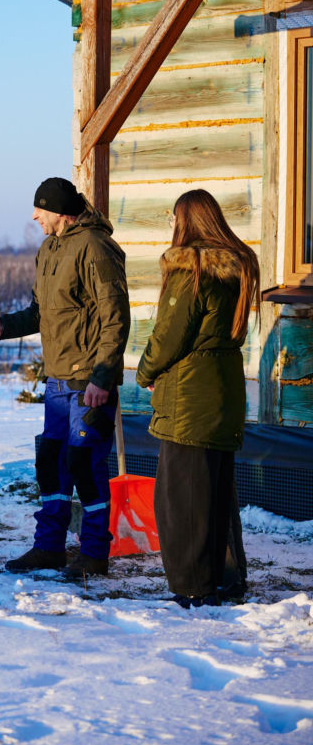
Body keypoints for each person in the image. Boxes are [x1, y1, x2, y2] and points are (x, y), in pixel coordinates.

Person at [0, 177, 130, 577]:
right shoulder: (49, 249)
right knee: (51, 462)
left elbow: (116, 318)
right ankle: (49, 547)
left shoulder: (97, 248)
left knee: (86, 465)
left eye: (39, 210)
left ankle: (95, 553)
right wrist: (1, 327)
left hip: (88, 382)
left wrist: (103, 376)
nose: (33, 216)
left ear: (60, 212)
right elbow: (38, 312)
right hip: (57, 379)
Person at [135, 189, 259, 608]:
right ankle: (226, 579)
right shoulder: (236, 270)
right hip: (224, 391)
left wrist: (145, 371)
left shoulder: (193, 269)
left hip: (189, 399)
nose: (172, 227)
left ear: (186, 221)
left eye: (174, 219)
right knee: (218, 494)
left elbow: (170, 335)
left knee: (183, 499)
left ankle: (193, 586)